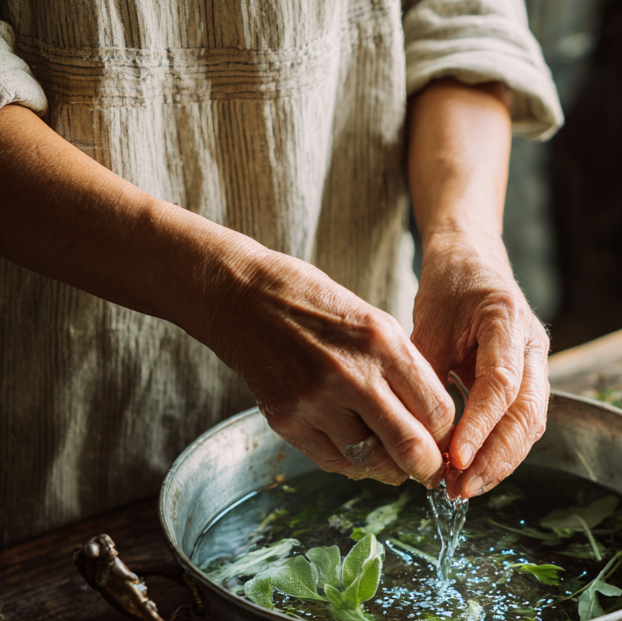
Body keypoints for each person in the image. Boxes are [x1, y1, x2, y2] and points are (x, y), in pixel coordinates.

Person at [0, 2, 563, 547]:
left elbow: (464, 30)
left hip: (367, 380)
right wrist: (229, 295)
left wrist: (469, 245)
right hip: (59, 431)